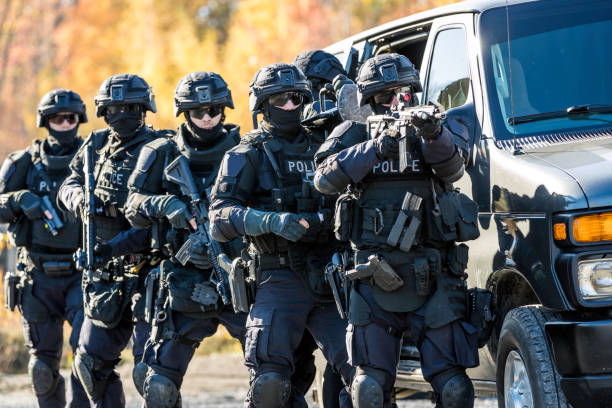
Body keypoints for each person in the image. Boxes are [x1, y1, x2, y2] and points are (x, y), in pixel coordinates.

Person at [313, 53, 479, 408]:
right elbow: (324, 179)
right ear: (368, 101)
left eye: (403, 93)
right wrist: (374, 148)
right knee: (369, 390)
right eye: (385, 96)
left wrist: (432, 133)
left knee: (454, 389)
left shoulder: (434, 128)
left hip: (433, 274)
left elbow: (453, 170)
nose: (395, 102)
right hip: (375, 276)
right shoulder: (354, 134)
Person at [209, 63, 353, 408]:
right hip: (278, 275)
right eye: (281, 100)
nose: (291, 107)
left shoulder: (326, 147)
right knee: (269, 385)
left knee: (367, 377)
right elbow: (219, 218)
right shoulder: (246, 154)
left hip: (329, 275)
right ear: (262, 105)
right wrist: (270, 221)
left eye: (297, 99)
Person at [124, 71, 245, 408]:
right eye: (198, 112)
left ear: (225, 108)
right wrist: (166, 204)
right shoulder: (161, 152)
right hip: (183, 283)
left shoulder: (246, 150)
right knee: (158, 388)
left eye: (214, 111)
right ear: (183, 112)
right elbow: (132, 208)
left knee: (276, 379)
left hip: (240, 279)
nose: (208, 119)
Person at [58, 74, 169, 407]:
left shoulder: (163, 147)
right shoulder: (94, 145)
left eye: (131, 107)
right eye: (114, 108)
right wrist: (80, 199)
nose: (122, 114)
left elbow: (169, 217)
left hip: (151, 273)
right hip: (106, 276)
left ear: (145, 108)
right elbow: (68, 184)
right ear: (103, 112)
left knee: (153, 377)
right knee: (89, 365)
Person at [0, 89, 90, 408]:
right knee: (42, 367)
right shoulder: (22, 162)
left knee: (89, 362)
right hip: (37, 278)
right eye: (57, 118)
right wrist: (18, 199)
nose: (64, 124)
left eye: (70, 118)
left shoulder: (93, 159)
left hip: (83, 273)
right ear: (45, 121)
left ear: (79, 119)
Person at [293, 49, 349, 408]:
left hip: (343, 261)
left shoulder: (352, 126)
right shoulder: (284, 130)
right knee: (287, 370)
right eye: (313, 87)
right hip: (297, 264)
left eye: (327, 87)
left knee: (347, 366)